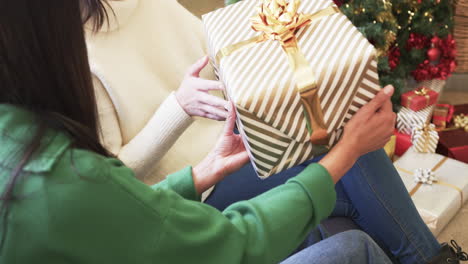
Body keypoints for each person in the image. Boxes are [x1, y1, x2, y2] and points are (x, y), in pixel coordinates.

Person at [0, 0, 399, 263]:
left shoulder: (22, 137)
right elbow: (235, 243)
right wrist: (178, 109)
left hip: (207, 165)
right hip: (198, 210)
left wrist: (199, 172)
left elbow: (111, 207)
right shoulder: (61, 175)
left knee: (344, 206)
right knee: (353, 237)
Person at [84, 1, 467, 263]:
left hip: (236, 146)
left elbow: (220, 46)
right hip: (192, 192)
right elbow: (113, 184)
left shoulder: (150, 6)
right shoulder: (75, 55)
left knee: (350, 187)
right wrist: (178, 109)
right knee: (350, 156)